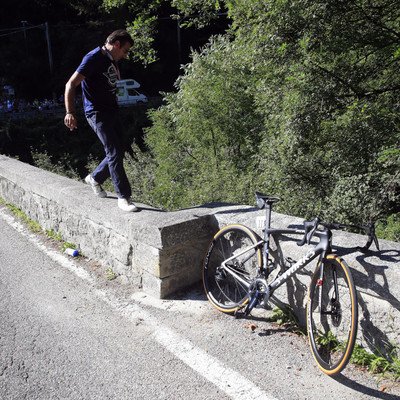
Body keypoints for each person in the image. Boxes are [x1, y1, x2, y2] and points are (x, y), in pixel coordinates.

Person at [64, 29, 138, 212]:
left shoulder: (111, 60)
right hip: (96, 113)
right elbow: (71, 84)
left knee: (119, 150)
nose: (125, 55)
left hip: (112, 111)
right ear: (117, 44)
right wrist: (69, 112)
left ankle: (95, 178)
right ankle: (124, 197)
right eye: (125, 51)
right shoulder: (93, 58)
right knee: (113, 151)